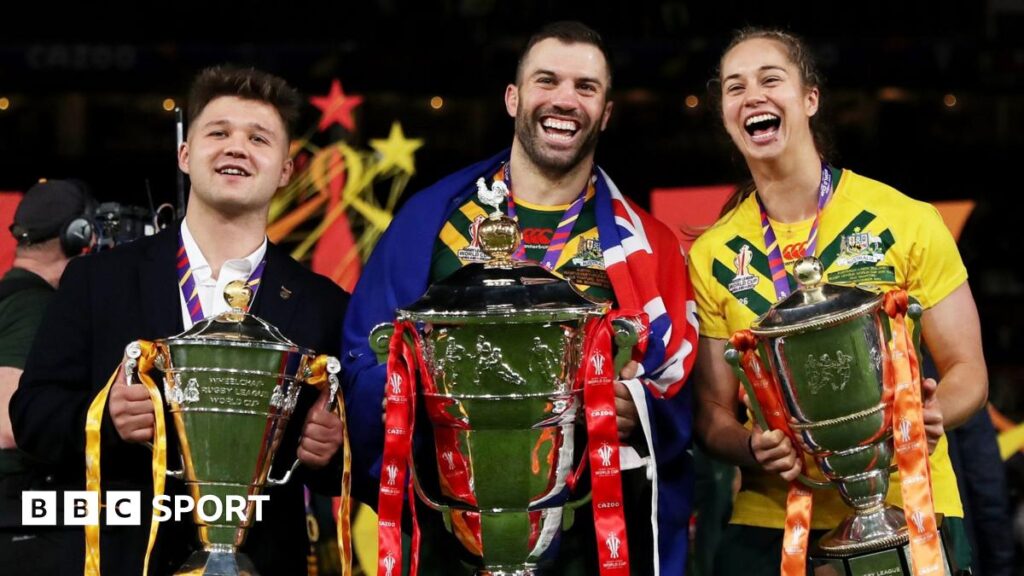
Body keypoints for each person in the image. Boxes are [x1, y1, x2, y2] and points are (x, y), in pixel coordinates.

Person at [342, 20, 699, 576]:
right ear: (513, 98)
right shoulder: (430, 224)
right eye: (546, 81)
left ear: (605, 113)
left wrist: (641, 412)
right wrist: (403, 393)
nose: (564, 100)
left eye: (586, 88)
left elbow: (680, 385)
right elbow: (363, 349)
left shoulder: (646, 246)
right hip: (450, 529)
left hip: (588, 537)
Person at [10, 66, 349, 575]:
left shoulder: (323, 304)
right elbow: (32, 414)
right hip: (125, 558)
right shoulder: (97, 281)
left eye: (259, 138)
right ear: (185, 155)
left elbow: (346, 454)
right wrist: (104, 418)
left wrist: (330, 451)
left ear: (285, 169)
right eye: (218, 133)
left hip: (265, 561)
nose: (236, 147)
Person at [688, 27, 988, 575]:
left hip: (910, 506)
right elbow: (710, 413)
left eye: (770, 79)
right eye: (735, 87)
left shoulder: (907, 219)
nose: (752, 94)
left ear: (809, 99)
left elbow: (967, 368)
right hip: (772, 521)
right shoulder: (712, 254)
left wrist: (934, 411)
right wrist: (750, 447)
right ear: (727, 115)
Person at [0, 179, 94, 573]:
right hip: (23, 515)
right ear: (78, 236)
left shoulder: (9, 296)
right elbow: (9, 424)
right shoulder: (36, 308)